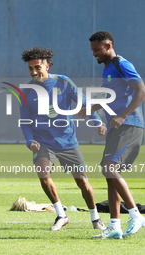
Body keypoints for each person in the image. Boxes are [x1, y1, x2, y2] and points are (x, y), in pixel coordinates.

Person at [19, 46, 106, 231]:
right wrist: (29, 140)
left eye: (37, 67)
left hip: (67, 141)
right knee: (43, 176)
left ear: (47, 66)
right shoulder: (26, 92)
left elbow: (83, 103)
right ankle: (61, 214)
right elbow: (25, 122)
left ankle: (95, 218)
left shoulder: (63, 82)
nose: (34, 72)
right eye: (30, 68)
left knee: (82, 181)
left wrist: (97, 121)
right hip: (42, 143)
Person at [81, 30, 145, 239]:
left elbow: (141, 90)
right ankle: (115, 226)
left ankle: (136, 215)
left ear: (108, 46)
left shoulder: (122, 64)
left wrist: (124, 116)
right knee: (110, 175)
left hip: (129, 124)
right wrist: (91, 108)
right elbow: (111, 98)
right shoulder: (108, 68)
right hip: (116, 126)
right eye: (92, 50)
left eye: (97, 49)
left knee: (109, 167)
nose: (94, 54)